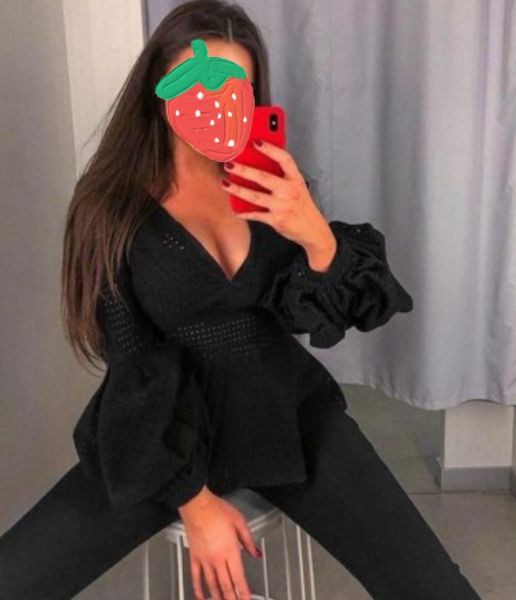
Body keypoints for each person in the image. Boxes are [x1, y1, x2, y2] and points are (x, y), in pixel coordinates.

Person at [0, 1, 482, 599]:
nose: (217, 104)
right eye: (199, 85)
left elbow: (335, 310)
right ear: (158, 87)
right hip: (163, 434)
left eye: (237, 90)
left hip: (288, 416)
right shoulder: (111, 208)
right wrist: (194, 502)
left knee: (437, 589)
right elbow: (132, 367)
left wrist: (314, 232)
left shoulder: (270, 183)